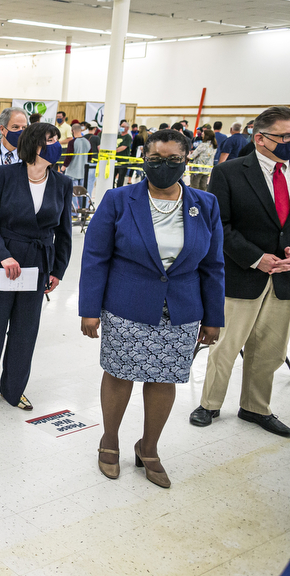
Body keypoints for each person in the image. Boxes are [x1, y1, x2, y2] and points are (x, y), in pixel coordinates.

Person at [79, 129, 224, 487]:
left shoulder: (204, 204)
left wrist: (214, 316)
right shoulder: (118, 199)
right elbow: (95, 257)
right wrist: (89, 308)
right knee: (119, 373)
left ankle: (149, 447)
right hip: (126, 303)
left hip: (182, 308)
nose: (164, 167)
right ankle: (109, 441)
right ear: (144, 159)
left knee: (163, 379)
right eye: (156, 160)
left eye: (174, 160)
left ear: (186, 161)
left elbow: (213, 265)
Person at [190, 106, 290, 438]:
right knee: (226, 346)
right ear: (260, 139)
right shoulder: (231, 172)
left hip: (283, 277)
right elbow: (220, 225)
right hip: (242, 273)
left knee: (271, 350)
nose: (289, 142)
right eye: (284, 136)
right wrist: (256, 257)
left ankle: (255, 407)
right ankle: (210, 403)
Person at [0, 122, 72, 411]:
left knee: (25, 330)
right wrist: (1, 256)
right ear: (35, 145)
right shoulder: (4, 175)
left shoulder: (62, 183)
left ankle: (14, 389)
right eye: (51, 140)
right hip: (3, 261)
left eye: (58, 140)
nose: (57, 145)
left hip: (38, 263)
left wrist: (57, 269)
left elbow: (65, 232)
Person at [113, 120, 134, 187]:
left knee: (121, 177)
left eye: (123, 126)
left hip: (123, 160)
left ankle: (119, 189)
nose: (121, 128)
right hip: (115, 159)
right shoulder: (118, 136)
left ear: (127, 128)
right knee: (113, 176)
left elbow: (123, 147)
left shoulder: (128, 137)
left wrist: (114, 151)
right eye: (121, 126)